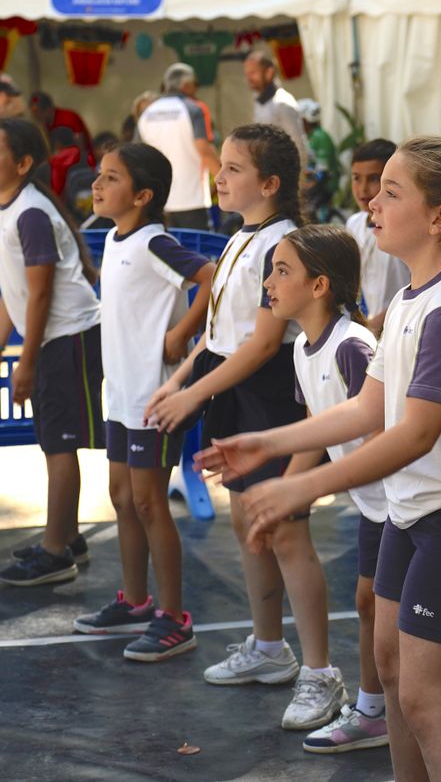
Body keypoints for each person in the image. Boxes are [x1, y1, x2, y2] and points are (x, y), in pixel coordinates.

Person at [194, 135, 441, 781]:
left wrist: (302, 488)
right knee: (396, 677)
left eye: (392, 192)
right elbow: (368, 409)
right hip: (415, 512)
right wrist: (266, 443)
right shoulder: (409, 299)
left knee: (426, 699)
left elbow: (413, 435)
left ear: (440, 218)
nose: (372, 202)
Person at [143, 124, 340, 730]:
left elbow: (259, 346)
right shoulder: (239, 239)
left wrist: (192, 394)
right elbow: (219, 337)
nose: (219, 176)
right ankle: (267, 648)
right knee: (246, 521)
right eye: (221, 166)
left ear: (270, 183)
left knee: (283, 532)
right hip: (233, 392)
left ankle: (320, 674)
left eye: (232, 169)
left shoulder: (285, 243)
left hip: (272, 397)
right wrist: (179, 381)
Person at [72, 141, 214, 661]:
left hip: (153, 396)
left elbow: (211, 277)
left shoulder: (156, 242)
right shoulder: (112, 238)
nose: (98, 185)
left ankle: (175, 618)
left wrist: (181, 335)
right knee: (122, 495)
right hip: (122, 394)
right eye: (100, 175)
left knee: (151, 501)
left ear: (143, 195)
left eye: (111, 178)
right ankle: (134, 601)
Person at [261, 224, 393, 755]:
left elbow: (383, 432)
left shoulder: (353, 347)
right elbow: (320, 430)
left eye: (282, 270)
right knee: (369, 605)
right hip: (373, 503)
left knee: (380, 609)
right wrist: (285, 496)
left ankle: (376, 710)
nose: (269, 282)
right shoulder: (303, 350)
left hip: (403, 505)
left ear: (320, 285)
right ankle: (375, 708)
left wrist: (306, 488)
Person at [0, 118, 103, 586]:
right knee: (54, 440)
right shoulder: (2, 209)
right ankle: (66, 536)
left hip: (68, 338)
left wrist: (25, 363)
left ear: (23, 164)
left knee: (60, 444)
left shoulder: (29, 213)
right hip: (50, 340)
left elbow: (42, 295)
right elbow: (16, 289)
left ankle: (55, 552)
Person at [137, 63, 219, 230]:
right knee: (196, 252)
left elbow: (137, 155)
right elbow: (204, 150)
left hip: (159, 201)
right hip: (192, 200)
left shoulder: (148, 113)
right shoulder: (194, 109)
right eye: (195, 84)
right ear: (186, 85)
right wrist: (225, 178)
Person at [344, 138, 409, 335]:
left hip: (400, 326)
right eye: (356, 178)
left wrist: (379, 321)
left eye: (373, 179)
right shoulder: (353, 224)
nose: (362, 189)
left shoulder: (405, 228)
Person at [245, 50, 308, 161]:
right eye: (247, 74)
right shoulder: (258, 100)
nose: (249, 79)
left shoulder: (283, 103)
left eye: (253, 73)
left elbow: (297, 145)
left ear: (269, 73)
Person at [28, 91, 94, 167]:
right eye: (32, 112)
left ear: (49, 109)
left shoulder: (68, 118)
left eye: (37, 112)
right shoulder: (46, 122)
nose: (34, 116)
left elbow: (80, 146)